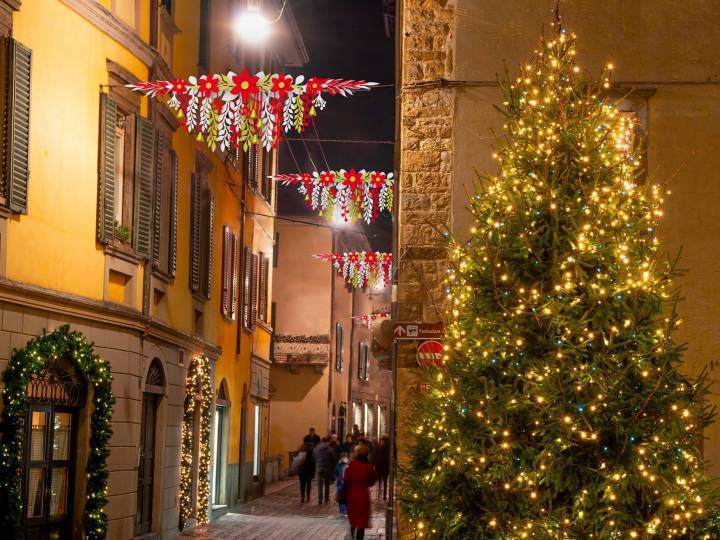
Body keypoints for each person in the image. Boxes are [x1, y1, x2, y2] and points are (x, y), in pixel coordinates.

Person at [344, 444, 377, 540]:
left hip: (352, 494)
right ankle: (359, 537)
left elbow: (346, 479)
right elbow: (372, 480)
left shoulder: (351, 465)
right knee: (362, 520)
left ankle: (351, 532)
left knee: (353, 517)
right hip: (363, 494)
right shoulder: (370, 466)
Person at [314, 436, 338, 504]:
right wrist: (332, 466)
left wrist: (317, 463)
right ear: (327, 442)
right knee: (327, 484)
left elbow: (314, 457)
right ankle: (326, 498)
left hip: (319, 468)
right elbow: (334, 459)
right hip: (327, 468)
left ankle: (320, 499)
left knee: (320, 484)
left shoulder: (317, 448)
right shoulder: (329, 449)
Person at [373, 436, 390, 501]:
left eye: (382, 442)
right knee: (379, 480)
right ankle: (379, 490)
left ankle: (384, 495)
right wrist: (375, 463)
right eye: (380, 442)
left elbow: (387, 458)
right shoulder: (377, 448)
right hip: (379, 467)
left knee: (385, 481)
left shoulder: (386, 449)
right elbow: (374, 456)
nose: (381, 443)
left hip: (385, 467)